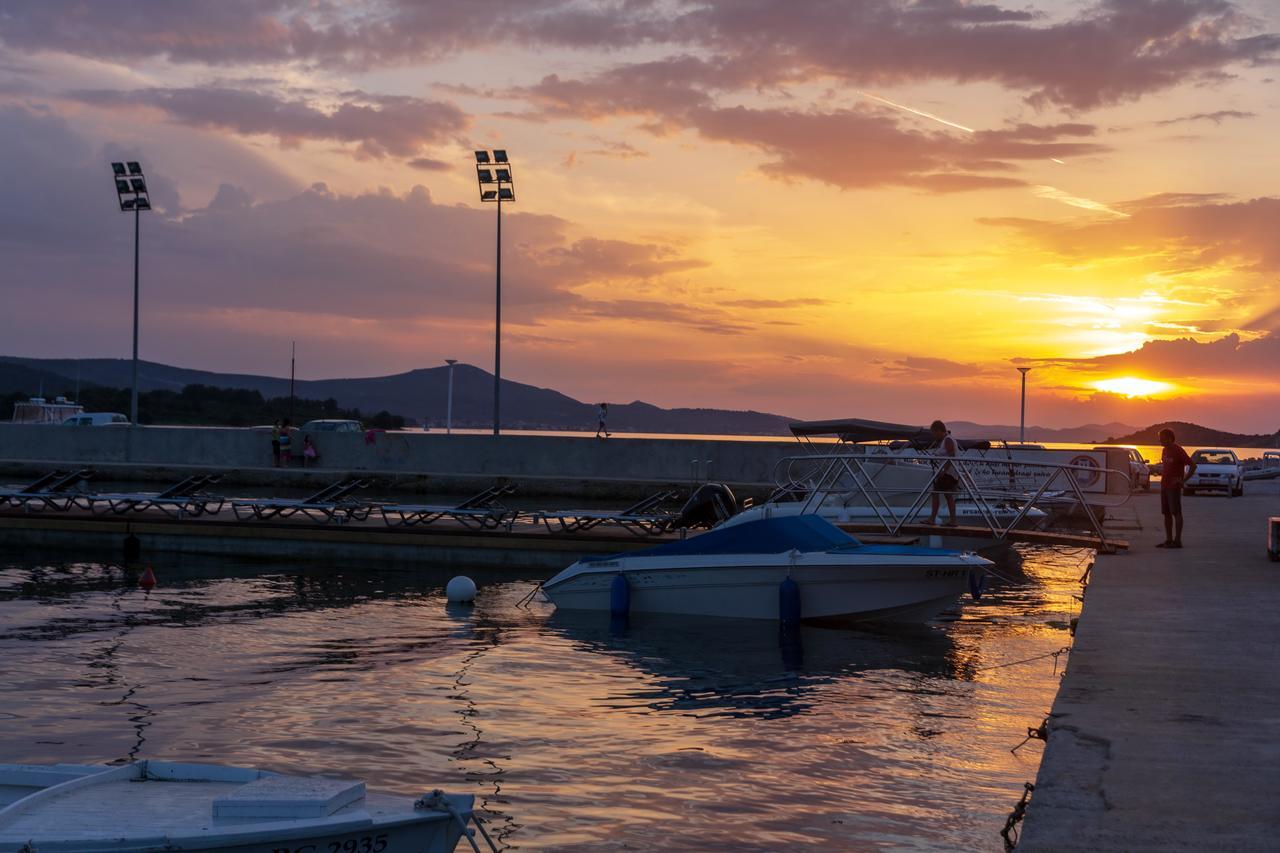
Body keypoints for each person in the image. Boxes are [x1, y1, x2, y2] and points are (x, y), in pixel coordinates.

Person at [1157, 427, 1196, 548]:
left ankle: (1177, 540)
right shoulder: (1164, 450)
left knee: (1176, 513)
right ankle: (1168, 540)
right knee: (1166, 514)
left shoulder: (1178, 450)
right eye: (1160, 439)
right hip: (1164, 485)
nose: (1160, 441)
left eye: (1162, 439)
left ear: (1170, 438)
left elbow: (1193, 466)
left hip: (1174, 487)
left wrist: (1183, 480)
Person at [926, 419, 959, 526]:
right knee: (947, 495)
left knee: (935, 493)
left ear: (939, 430)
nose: (934, 436)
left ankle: (932, 519)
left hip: (948, 473)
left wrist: (944, 471)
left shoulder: (948, 440)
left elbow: (951, 456)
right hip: (949, 472)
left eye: (934, 433)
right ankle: (952, 520)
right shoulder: (946, 440)